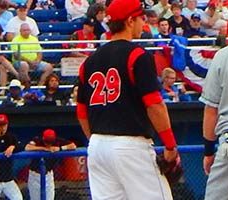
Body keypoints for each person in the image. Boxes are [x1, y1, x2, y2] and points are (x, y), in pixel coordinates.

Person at [75, 0, 180, 198]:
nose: (144, 23)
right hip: (130, 146)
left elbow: (81, 112)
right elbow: (155, 105)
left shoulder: (89, 61)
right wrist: (170, 145)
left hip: (98, 146)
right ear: (130, 21)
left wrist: (98, 141)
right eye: (141, 18)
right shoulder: (137, 55)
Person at [22, 130, 75, 200]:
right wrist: (45, 149)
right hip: (35, 175)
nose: (49, 144)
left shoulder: (58, 141)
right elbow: (27, 148)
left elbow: (73, 146)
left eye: (51, 142)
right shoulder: (38, 140)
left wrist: (60, 148)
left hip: (48, 175)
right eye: (47, 142)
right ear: (43, 138)